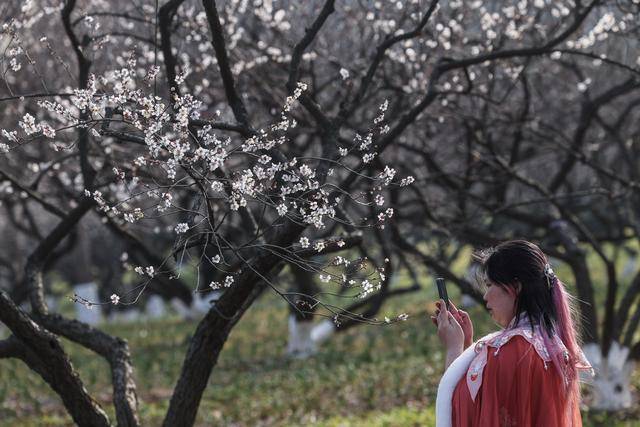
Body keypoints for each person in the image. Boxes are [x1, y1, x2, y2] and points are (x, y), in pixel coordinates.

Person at [432, 240, 593, 427]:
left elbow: (463, 409)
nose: (485, 296)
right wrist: (467, 346)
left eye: (490, 284)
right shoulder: (552, 344)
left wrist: (454, 348)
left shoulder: (512, 349)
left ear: (515, 287)